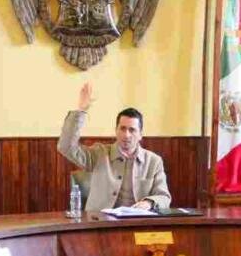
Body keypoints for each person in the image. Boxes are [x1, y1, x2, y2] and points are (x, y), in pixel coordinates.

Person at [57, 81, 171, 211]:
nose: (126, 135)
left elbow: (164, 197)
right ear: (116, 130)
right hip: (101, 223)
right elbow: (65, 147)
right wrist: (81, 111)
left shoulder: (153, 161)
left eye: (132, 130)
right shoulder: (99, 153)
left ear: (140, 134)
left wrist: (149, 203)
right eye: (122, 129)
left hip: (137, 223)